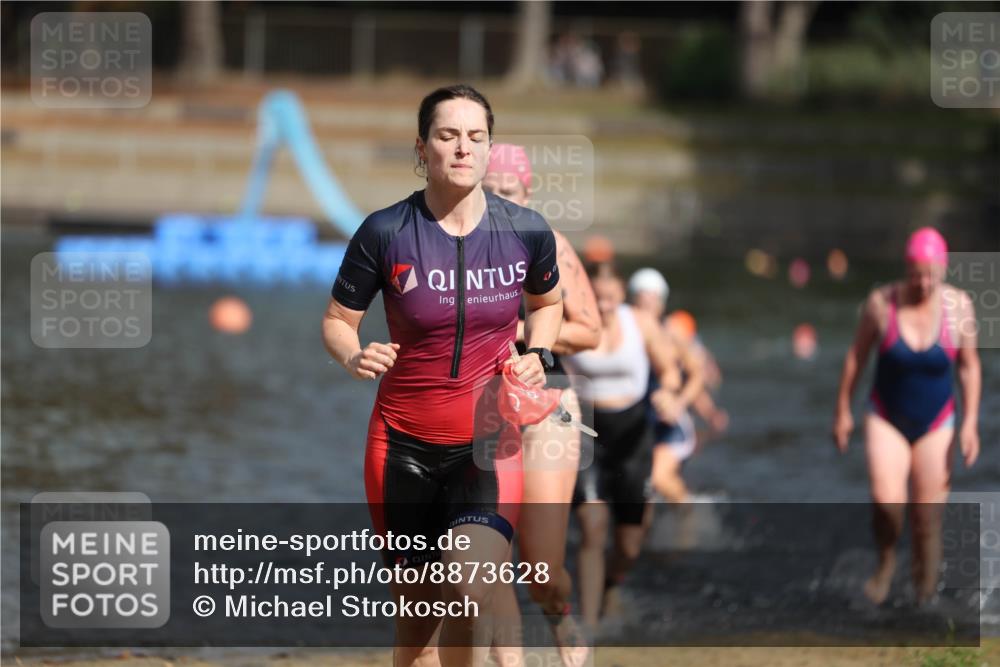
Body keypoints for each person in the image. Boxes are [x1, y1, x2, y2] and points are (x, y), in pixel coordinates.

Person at [322, 84, 563, 667]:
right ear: (423, 148)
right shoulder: (385, 231)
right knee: (419, 621)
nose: (463, 148)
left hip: (487, 446)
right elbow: (335, 320)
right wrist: (354, 355)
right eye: (448, 135)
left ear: (488, 147)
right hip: (400, 448)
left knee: (470, 582)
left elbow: (549, 304)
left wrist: (541, 352)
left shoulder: (526, 230)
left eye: (476, 137)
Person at [482, 144, 600, 666]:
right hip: (483, 406)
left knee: (541, 569)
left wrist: (527, 333)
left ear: (526, 194)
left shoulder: (546, 240)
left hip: (549, 403)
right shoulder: (452, 246)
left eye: (507, 193)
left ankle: (562, 615)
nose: (497, 201)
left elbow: (590, 329)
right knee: (490, 556)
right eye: (487, 192)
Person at [832, 227, 981, 605]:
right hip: (886, 417)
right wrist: (842, 411)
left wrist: (970, 423)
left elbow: (968, 366)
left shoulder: (959, 307)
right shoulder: (882, 304)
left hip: (937, 421)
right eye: (917, 273)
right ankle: (885, 562)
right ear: (906, 268)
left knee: (927, 520)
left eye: (931, 273)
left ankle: (924, 600)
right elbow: (856, 358)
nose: (924, 282)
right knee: (887, 502)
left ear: (944, 269)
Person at [560, 264, 680, 631]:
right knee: (593, 527)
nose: (605, 308)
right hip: (585, 430)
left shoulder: (640, 322)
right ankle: (591, 625)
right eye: (597, 300)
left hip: (633, 436)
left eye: (611, 299)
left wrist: (668, 392)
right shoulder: (569, 322)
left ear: (622, 296)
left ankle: (611, 584)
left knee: (629, 544)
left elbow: (671, 370)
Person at [628, 269, 722, 504]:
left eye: (653, 302)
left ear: (661, 305)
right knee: (640, 491)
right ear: (631, 302)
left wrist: (681, 405)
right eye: (642, 302)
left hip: (670, 427)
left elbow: (697, 375)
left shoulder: (672, 335)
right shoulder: (620, 334)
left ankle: (689, 512)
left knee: (657, 478)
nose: (648, 308)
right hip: (636, 424)